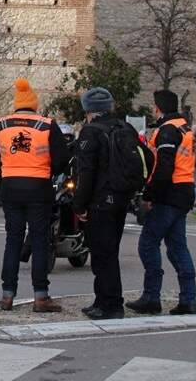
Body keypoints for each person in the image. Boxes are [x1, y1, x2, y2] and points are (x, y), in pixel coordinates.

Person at [0, 77, 68, 313]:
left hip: (10, 187)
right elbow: (62, 159)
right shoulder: (46, 125)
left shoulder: (1, 124)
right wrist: (48, 171)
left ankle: (7, 295)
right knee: (39, 241)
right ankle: (40, 297)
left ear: (16, 104)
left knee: (12, 241)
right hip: (38, 187)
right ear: (34, 104)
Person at [128, 90, 196, 316]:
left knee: (148, 244)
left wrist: (150, 195)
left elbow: (164, 167)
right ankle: (188, 299)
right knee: (178, 247)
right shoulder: (185, 128)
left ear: (158, 107)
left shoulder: (167, 130)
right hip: (184, 189)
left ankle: (151, 297)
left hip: (169, 193)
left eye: (153, 106)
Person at [72, 87, 133, 320]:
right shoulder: (124, 128)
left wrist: (79, 204)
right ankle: (102, 299)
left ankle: (111, 304)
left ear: (89, 110)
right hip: (121, 197)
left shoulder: (91, 132)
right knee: (111, 251)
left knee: (102, 254)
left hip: (100, 200)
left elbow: (86, 172)